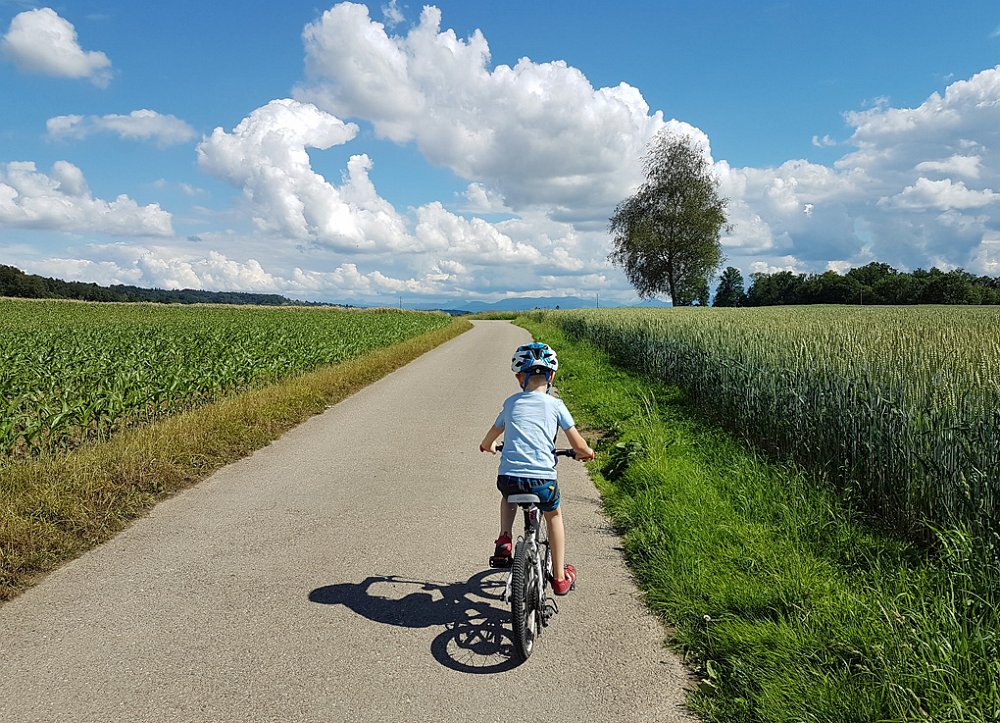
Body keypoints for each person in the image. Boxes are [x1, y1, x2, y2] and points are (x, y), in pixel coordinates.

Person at [479, 342, 595, 595]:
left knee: (507, 496)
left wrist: (488, 445)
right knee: (553, 515)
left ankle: (504, 539)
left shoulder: (510, 403)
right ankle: (560, 576)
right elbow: (577, 442)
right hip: (542, 481)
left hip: (509, 478)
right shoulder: (556, 405)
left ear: (520, 377)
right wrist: (585, 452)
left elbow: (490, 437)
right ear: (551, 376)